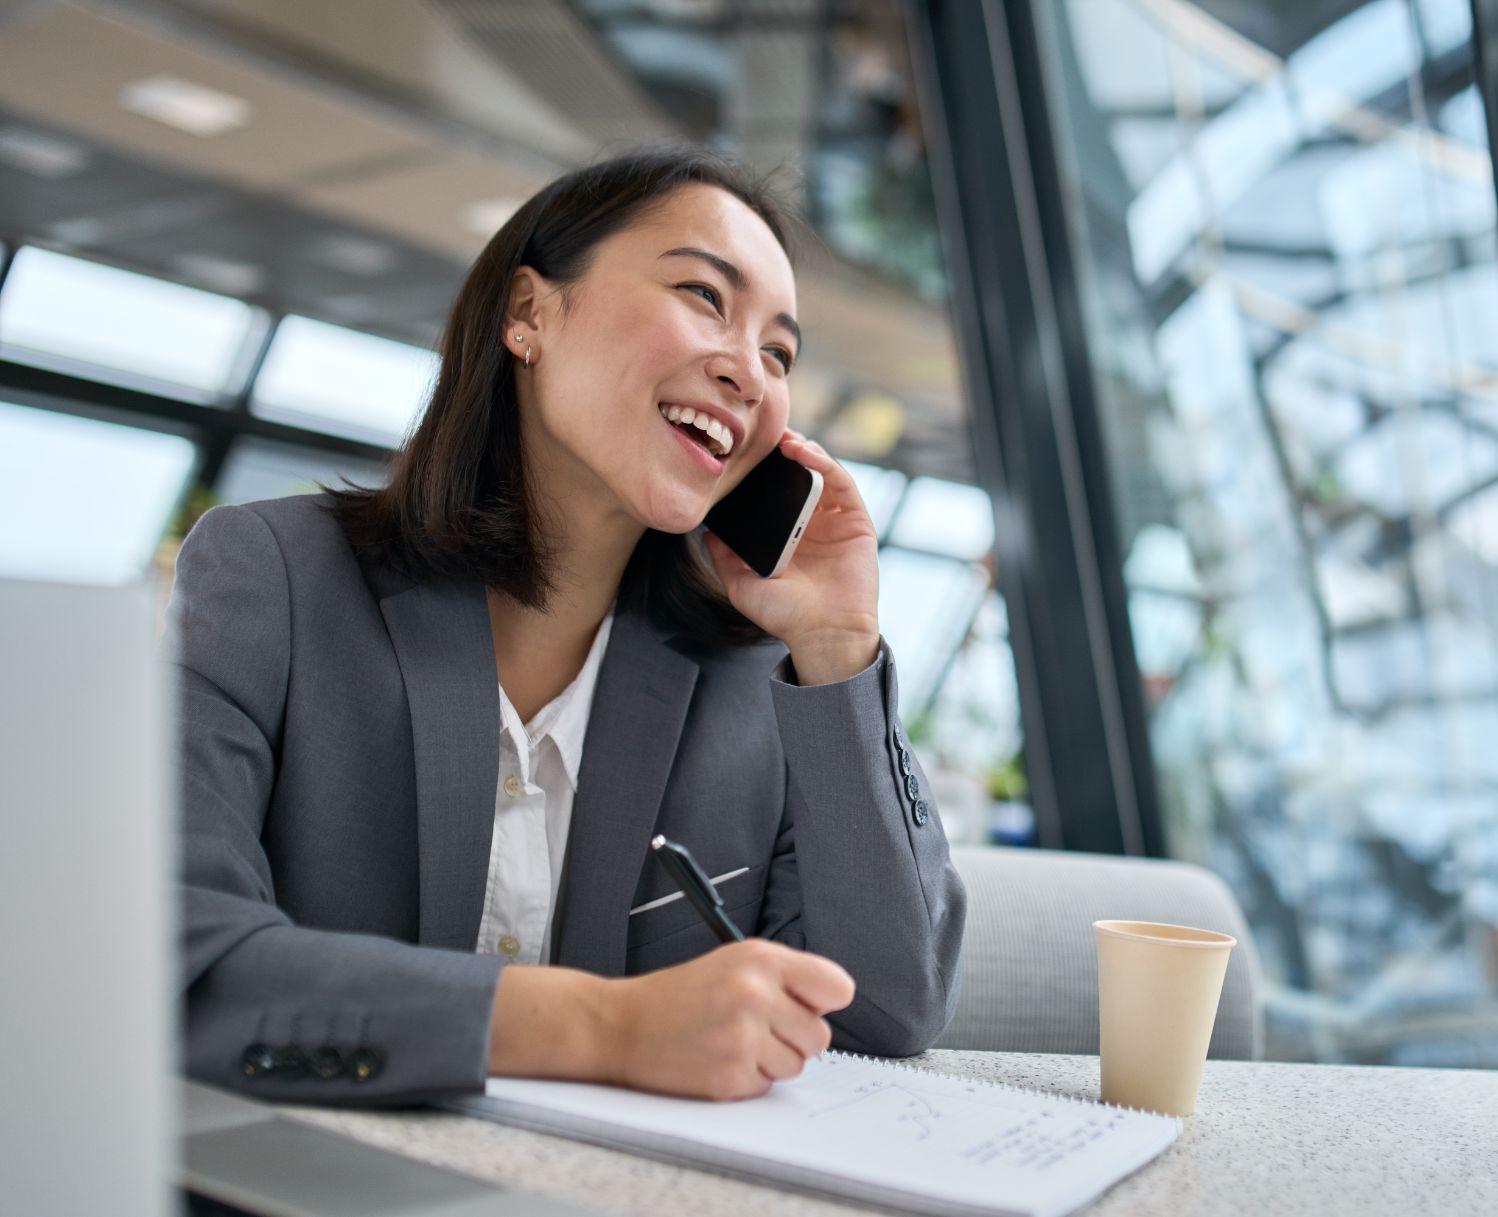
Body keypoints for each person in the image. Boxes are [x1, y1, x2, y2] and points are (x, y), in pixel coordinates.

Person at [169, 147, 966, 1107]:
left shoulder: (763, 679)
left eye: (779, 352)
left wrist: (839, 646)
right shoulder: (274, 580)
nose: (749, 372)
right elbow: (180, 966)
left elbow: (886, 1007)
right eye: (705, 297)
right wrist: (606, 1026)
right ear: (528, 314)